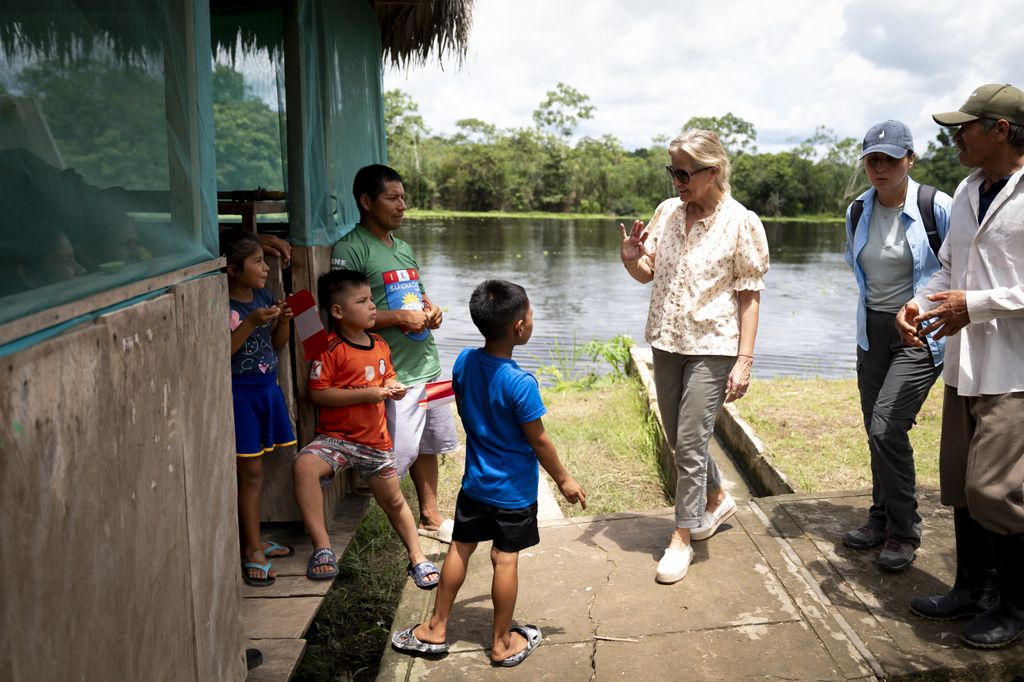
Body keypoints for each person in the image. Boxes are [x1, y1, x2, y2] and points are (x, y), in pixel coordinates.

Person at [390, 279, 586, 667]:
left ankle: (436, 627)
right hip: (512, 492)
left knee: (461, 549)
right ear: (518, 327)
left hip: (475, 485)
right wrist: (564, 478)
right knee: (505, 559)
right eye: (529, 315)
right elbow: (540, 441)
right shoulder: (520, 383)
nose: (531, 320)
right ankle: (500, 643)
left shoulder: (464, 360)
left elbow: (464, 405)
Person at [896, 83, 1024, 648]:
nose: (954, 137)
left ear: (1000, 130)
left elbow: (979, 293)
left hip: (1015, 372)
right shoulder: (969, 189)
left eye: (965, 127)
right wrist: (919, 304)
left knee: (996, 491)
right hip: (965, 363)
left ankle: (1015, 607)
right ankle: (971, 588)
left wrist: (976, 305)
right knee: (962, 486)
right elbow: (949, 268)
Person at [620, 129, 769, 585]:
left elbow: (749, 295)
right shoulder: (667, 212)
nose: (676, 181)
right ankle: (718, 496)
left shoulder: (741, 222)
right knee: (679, 438)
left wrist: (744, 360)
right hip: (666, 341)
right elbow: (648, 274)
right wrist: (630, 258)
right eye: (673, 171)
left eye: (684, 173)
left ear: (713, 171)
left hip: (713, 346)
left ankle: (681, 538)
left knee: (689, 442)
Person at [841, 120, 952, 571]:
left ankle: (905, 532)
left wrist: (929, 310)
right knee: (875, 429)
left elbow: (960, 265)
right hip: (872, 331)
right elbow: (859, 267)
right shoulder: (857, 210)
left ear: (911, 158)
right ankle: (879, 517)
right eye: (872, 159)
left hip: (919, 331)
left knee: (887, 426)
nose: (880, 167)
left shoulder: (936, 205)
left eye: (889, 158)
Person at [331, 164, 457, 542]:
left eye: (403, 197)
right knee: (397, 453)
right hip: (392, 373)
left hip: (427, 364)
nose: (402, 205)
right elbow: (345, 317)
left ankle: (431, 517)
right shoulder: (350, 249)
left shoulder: (403, 248)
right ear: (366, 201)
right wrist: (400, 316)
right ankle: (392, 526)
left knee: (429, 444)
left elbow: (415, 295)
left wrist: (428, 311)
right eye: (392, 198)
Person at [292, 269, 440, 588]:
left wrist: (392, 386)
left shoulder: (379, 344)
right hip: (337, 439)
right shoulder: (330, 349)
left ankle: (416, 556)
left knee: (395, 502)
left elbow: (386, 376)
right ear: (338, 312)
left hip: (375, 443)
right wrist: (368, 394)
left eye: (371, 299)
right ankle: (322, 548)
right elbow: (317, 392)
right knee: (304, 466)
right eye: (362, 301)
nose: (372, 306)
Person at [221, 228, 297, 587]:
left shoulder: (263, 296)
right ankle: (251, 550)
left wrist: (282, 320)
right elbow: (223, 352)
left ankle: (253, 541)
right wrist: (251, 321)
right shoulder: (225, 305)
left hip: (267, 390)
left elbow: (278, 344)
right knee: (250, 475)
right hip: (241, 397)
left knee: (257, 473)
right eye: (257, 262)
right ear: (233, 270)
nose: (266, 267)